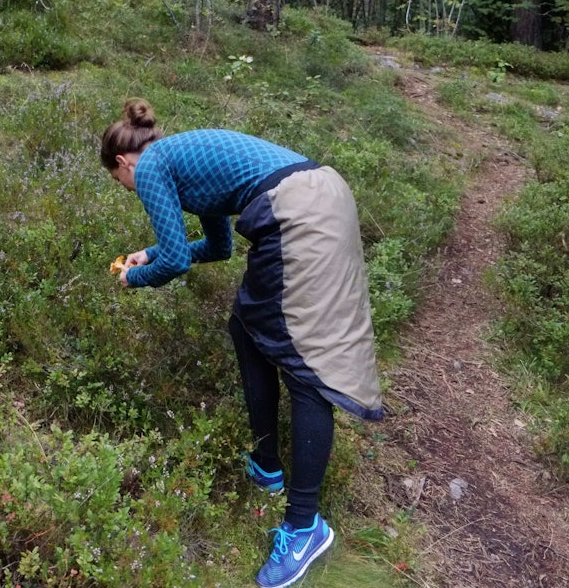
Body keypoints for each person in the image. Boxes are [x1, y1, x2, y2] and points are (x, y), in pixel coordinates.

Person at [100, 98, 383, 588]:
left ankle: (305, 526)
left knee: (304, 364)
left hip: (296, 215)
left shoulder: (151, 169)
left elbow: (176, 265)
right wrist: (150, 253)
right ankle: (266, 462)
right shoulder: (179, 160)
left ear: (123, 163)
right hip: (319, 197)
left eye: (117, 181)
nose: (126, 189)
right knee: (246, 327)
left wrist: (136, 279)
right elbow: (217, 247)